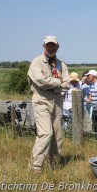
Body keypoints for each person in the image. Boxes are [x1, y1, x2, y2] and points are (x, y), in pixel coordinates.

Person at [27, 35, 70, 173]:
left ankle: (54, 165)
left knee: (57, 135)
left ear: (58, 47)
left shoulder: (61, 64)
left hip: (57, 101)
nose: (51, 47)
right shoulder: (37, 62)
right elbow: (40, 81)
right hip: (41, 100)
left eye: (53, 45)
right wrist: (58, 82)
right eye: (48, 45)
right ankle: (36, 166)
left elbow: (68, 83)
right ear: (44, 46)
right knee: (45, 133)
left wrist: (53, 84)